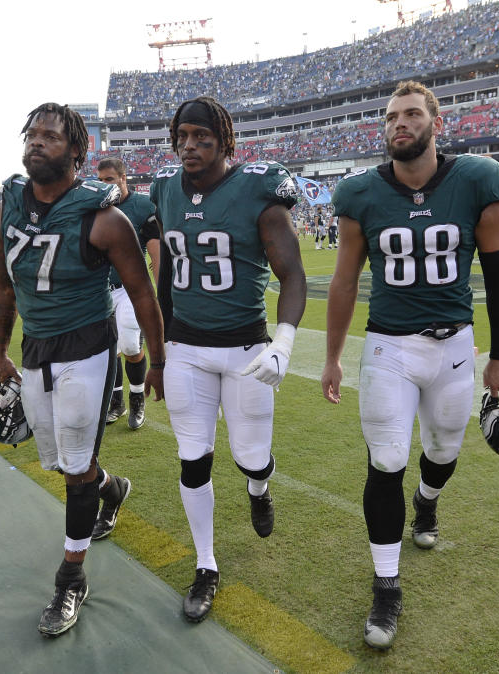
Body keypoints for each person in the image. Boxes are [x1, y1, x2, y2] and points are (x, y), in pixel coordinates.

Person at [320, 81, 499, 650]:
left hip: (455, 345)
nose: (398, 124)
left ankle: (426, 504)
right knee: (385, 459)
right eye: (390, 118)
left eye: (411, 114)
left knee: (443, 451)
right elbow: (344, 279)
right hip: (389, 347)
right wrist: (332, 357)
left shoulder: (476, 178)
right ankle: (386, 584)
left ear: (436, 121)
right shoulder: (360, 193)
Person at [0, 102, 165, 637]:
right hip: (36, 347)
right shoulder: (6, 209)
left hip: (89, 347)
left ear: (75, 152)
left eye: (51, 136)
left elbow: (141, 290)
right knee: (65, 465)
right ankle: (110, 490)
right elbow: (2, 287)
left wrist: (157, 358)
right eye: (33, 134)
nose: (37, 142)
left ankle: (71, 577)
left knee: (75, 461)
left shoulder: (103, 218)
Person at [150, 96, 306, 624]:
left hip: (245, 348)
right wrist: (160, 352)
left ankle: (260, 486)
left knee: (249, 456)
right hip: (187, 350)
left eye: (202, 137)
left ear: (225, 141)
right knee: (193, 459)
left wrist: (283, 340)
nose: (190, 146)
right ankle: (206, 564)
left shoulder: (257, 190)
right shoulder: (165, 190)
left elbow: (293, 274)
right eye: (183, 136)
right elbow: (167, 277)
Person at [96, 157, 161, 432]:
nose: (104, 186)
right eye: (99, 181)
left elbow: (157, 256)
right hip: (99, 289)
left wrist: (163, 297)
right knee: (108, 351)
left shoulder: (143, 207)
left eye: (109, 180)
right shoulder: (94, 207)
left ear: (123, 178)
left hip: (129, 289)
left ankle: (137, 400)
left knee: (131, 347)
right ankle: (116, 402)